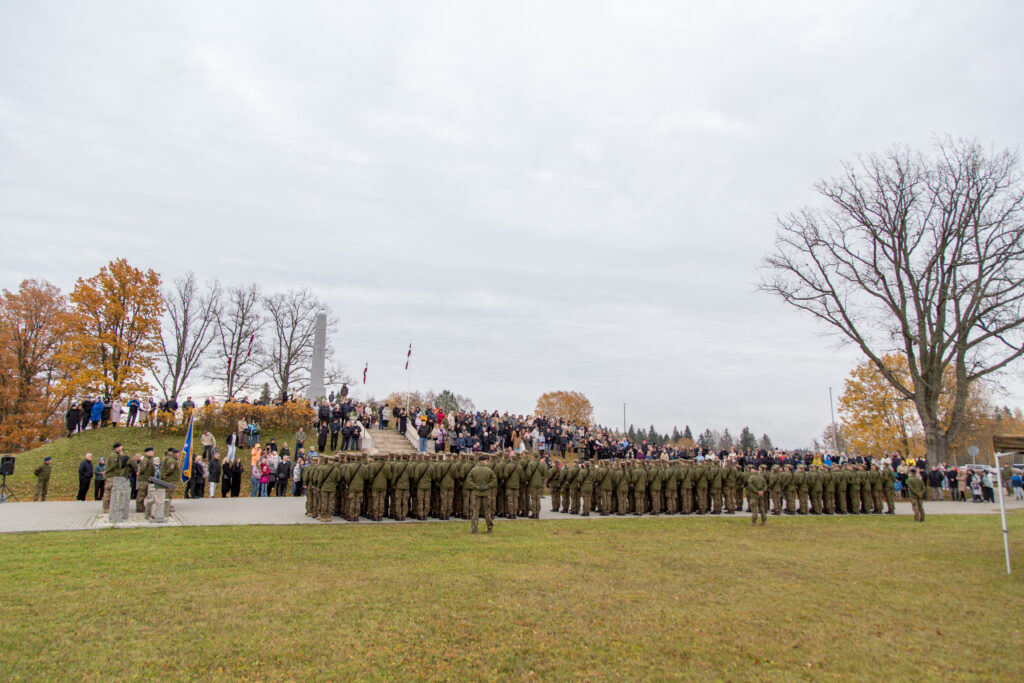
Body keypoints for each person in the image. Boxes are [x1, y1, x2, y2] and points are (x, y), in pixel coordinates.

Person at [466, 454, 497, 534]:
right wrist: (487, 486)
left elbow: (468, 480)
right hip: (486, 493)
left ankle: (474, 529)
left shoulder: (474, 470)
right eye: (486, 460)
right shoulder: (489, 470)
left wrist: (475, 486)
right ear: (483, 461)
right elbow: (494, 480)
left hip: (476, 493)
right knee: (487, 511)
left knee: (475, 511)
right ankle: (489, 528)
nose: (487, 462)